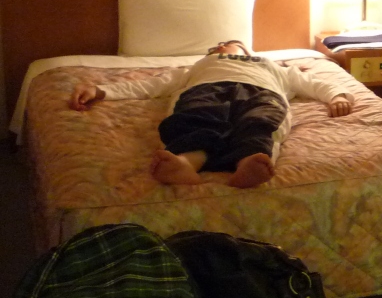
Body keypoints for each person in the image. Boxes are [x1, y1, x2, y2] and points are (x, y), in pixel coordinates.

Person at [68, 40, 353, 188]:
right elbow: (154, 84)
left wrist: (337, 95)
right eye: (215, 47)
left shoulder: (270, 64)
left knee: (260, 122)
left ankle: (249, 163)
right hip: (206, 89)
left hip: (261, 91)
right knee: (198, 118)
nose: (220, 47)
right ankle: (185, 163)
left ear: (246, 49)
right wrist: (101, 91)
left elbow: (309, 82)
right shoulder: (200, 65)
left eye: (227, 44)